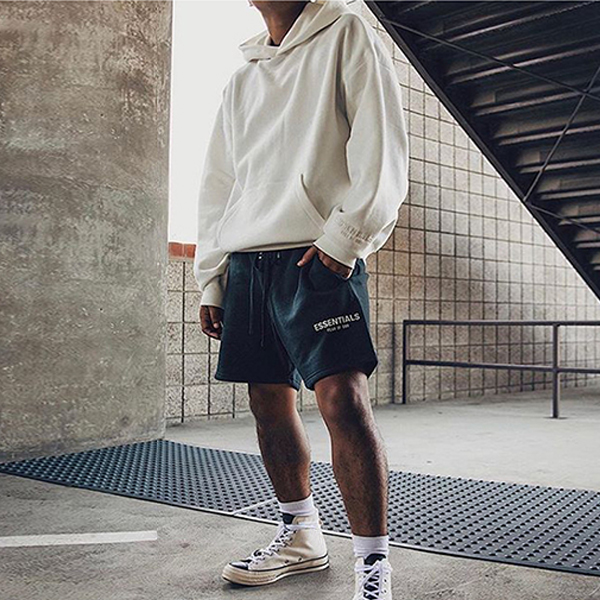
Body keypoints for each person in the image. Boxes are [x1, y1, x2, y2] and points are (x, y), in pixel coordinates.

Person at [194, 1, 409, 598]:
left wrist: (349, 237)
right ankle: (301, 536)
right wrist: (213, 276)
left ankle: (372, 566)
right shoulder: (243, 77)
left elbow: (382, 142)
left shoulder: (347, 33)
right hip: (248, 260)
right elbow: (219, 183)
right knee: (267, 401)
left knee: (343, 401)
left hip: (318, 253)